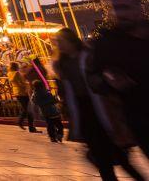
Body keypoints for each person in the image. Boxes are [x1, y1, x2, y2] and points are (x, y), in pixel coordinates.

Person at [54, 27, 144, 181]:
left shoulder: (88, 56)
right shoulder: (62, 64)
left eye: (61, 42)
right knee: (101, 159)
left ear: (71, 41)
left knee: (122, 159)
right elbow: (66, 91)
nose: (59, 46)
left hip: (101, 106)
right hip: (83, 110)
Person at [88, 0, 149, 159]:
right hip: (139, 114)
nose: (121, 13)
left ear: (138, 8)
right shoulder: (106, 44)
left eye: (125, 7)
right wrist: (107, 79)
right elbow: (92, 77)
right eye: (116, 8)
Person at [8, 61, 37, 132]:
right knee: (29, 110)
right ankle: (29, 126)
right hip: (23, 92)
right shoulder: (17, 73)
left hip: (17, 92)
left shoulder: (9, 73)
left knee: (26, 109)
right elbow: (20, 83)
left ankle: (22, 122)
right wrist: (27, 85)